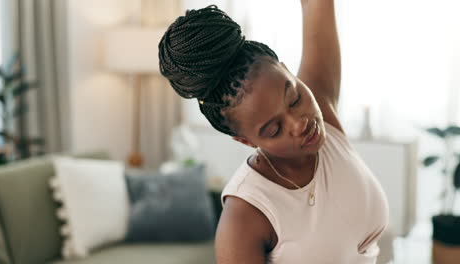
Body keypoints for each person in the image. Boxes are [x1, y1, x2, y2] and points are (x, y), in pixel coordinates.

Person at [158, 2, 389, 263]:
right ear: (245, 141)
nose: (300, 123)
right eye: (275, 129)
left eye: (294, 98)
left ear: (287, 70)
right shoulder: (245, 215)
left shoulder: (322, 106)